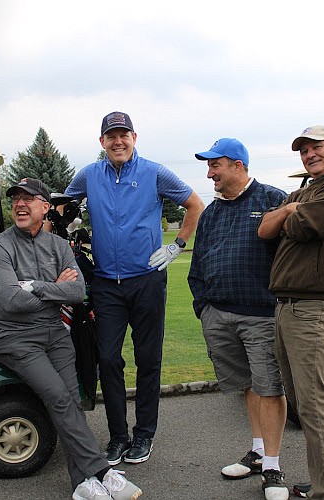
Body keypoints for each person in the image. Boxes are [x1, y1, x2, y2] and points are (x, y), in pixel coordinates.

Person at [0, 178, 142, 500]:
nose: (20, 204)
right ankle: (102, 471)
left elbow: (77, 291)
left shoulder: (58, 246)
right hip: (16, 339)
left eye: (29, 199)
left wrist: (35, 286)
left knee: (72, 402)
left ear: (45, 207)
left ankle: (82, 485)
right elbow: (12, 301)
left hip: (55, 335)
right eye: (16, 198)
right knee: (58, 397)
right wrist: (54, 288)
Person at [65, 112, 205, 466]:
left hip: (146, 279)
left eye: (123, 135)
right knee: (109, 359)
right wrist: (68, 221)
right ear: (102, 142)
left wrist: (178, 244)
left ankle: (144, 435)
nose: (118, 142)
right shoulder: (89, 174)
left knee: (148, 359)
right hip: (106, 283)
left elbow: (195, 205)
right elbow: (60, 206)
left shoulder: (154, 172)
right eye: (111, 136)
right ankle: (118, 437)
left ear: (134, 137)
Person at [258, 126, 324, 500]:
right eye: (303, 150)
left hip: (316, 308)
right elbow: (265, 229)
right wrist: (289, 209)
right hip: (288, 306)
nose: (309, 154)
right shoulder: (304, 191)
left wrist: (289, 214)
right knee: (304, 402)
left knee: (316, 404)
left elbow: (303, 227)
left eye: (316, 147)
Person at [188, 138, 290, 500]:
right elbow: (198, 262)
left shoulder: (272, 199)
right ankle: (259, 452)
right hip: (219, 314)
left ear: (237, 165)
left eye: (215, 165)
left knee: (269, 388)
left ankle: (274, 467)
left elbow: (291, 256)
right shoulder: (213, 212)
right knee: (248, 385)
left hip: (261, 315)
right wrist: (204, 307)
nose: (209, 173)